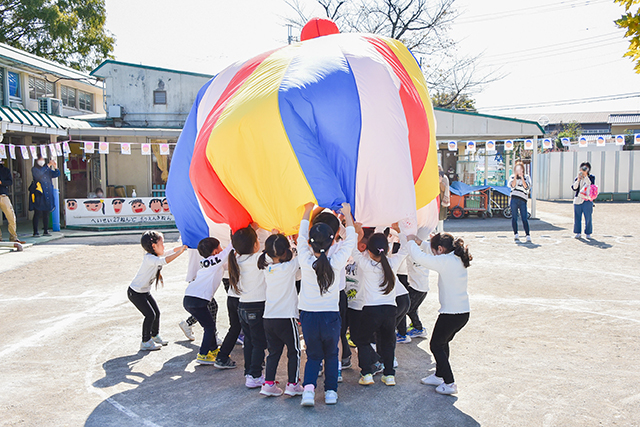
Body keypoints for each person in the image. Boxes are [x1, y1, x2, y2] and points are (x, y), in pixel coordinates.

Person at [297, 202, 356, 407]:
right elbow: (351, 241)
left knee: (312, 355)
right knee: (331, 354)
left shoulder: (304, 259)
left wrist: (307, 211)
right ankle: (331, 392)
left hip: (309, 316)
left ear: (309, 242)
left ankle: (308, 392)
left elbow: (301, 236)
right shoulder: (337, 261)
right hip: (330, 315)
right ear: (332, 243)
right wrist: (347, 214)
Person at [406, 232, 471, 395]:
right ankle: (439, 375)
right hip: (461, 312)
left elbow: (422, 259)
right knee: (442, 343)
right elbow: (431, 252)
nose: (434, 252)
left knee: (435, 345)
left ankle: (449, 383)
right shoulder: (455, 257)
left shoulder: (445, 261)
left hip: (451, 313)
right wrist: (421, 242)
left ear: (441, 249)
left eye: (435, 249)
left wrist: (411, 243)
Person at [352, 228, 407, 387]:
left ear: (368, 251)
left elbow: (352, 250)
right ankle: (389, 375)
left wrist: (355, 230)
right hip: (390, 310)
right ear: (388, 249)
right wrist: (400, 231)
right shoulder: (393, 262)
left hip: (371, 310)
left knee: (362, 341)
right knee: (388, 342)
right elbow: (405, 248)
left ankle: (367, 373)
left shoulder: (366, 264)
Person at [257, 234, 304, 398]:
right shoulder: (289, 267)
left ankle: (268, 384)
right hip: (287, 318)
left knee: (273, 352)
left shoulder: (267, 268)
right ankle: (293, 384)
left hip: (269, 318)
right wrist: (293, 241)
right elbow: (302, 255)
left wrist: (276, 237)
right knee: (294, 351)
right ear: (286, 251)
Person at [128, 231, 186, 351]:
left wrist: (183, 247)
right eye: (162, 243)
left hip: (144, 292)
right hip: (135, 293)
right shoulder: (150, 258)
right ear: (154, 246)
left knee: (156, 313)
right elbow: (164, 260)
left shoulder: (155, 255)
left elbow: (169, 251)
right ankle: (145, 341)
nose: (164, 246)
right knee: (150, 315)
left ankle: (154, 336)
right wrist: (180, 252)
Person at [311, 209, 352, 379]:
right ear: (334, 233)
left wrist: (317, 206)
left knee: (315, 335)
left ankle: (319, 364)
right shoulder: (341, 249)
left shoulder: (308, 251)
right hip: (337, 297)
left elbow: (307, 231)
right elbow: (351, 236)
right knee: (338, 335)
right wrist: (345, 216)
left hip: (313, 298)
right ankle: (337, 369)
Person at [228, 225, 269, 389]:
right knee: (259, 343)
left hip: (243, 307)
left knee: (250, 342)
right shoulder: (258, 259)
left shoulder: (236, 259)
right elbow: (273, 252)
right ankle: (255, 375)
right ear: (255, 245)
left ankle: (249, 372)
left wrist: (253, 230)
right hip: (258, 307)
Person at [183, 237, 232, 364]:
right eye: (219, 247)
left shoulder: (208, 262)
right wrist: (234, 235)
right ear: (215, 252)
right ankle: (203, 354)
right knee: (209, 327)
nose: (221, 249)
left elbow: (226, 262)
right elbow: (228, 250)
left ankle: (213, 349)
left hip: (190, 298)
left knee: (209, 325)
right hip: (197, 300)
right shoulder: (214, 261)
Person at [397, 238, 431, 341]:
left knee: (406, 309)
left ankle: (404, 334)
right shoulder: (424, 254)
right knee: (411, 308)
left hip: (417, 288)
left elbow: (404, 245)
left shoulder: (412, 254)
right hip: (421, 287)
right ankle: (417, 328)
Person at [29, 156, 60, 237]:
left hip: (48, 193)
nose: (42, 161)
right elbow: (38, 175)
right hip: (39, 193)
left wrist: (55, 167)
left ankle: (46, 230)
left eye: (43, 159)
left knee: (46, 212)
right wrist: (48, 165)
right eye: (40, 159)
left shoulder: (47, 169)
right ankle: (35, 231)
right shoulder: (35, 169)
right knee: (37, 213)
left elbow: (56, 174)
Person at [0, 160, 24, 244]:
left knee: (11, 216)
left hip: (3, 195)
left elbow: (10, 182)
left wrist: (1, 182)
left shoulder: (5, 170)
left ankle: (13, 237)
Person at [509, 161, 532, 242]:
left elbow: (527, 187)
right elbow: (512, 185)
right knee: (514, 217)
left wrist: (522, 177)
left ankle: (527, 234)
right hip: (514, 198)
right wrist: (515, 176)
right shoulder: (512, 177)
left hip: (523, 199)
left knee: (524, 218)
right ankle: (516, 233)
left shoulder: (527, 177)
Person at [571, 162, 596, 239]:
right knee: (577, 217)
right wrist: (578, 179)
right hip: (578, 200)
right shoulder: (577, 177)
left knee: (588, 217)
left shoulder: (591, 177)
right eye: (582, 168)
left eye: (586, 168)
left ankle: (588, 233)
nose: (584, 169)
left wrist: (585, 176)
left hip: (587, 200)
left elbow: (590, 184)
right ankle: (578, 232)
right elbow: (574, 188)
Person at [438, 165, 450, 233]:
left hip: (441, 198)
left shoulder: (444, 178)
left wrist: (440, 181)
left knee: (441, 216)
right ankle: (434, 230)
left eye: (439, 169)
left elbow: (444, 189)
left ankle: (440, 230)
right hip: (434, 198)